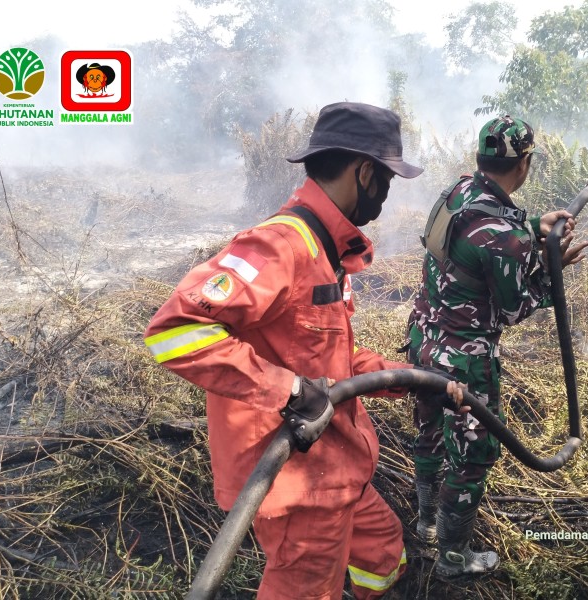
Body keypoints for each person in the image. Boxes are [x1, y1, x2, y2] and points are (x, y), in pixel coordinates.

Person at [144, 102, 431, 599]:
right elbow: (174, 329)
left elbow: (330, 359)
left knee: (382, 550)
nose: (386, 195)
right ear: (364, 173)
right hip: (299, 482)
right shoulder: (283, 245)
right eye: (386, 181)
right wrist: (291, 391)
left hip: (337, 467)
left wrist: (408, 378)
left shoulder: (325, 252)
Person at [405, 115, 588, 579]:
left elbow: (479, 230)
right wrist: (550, 272)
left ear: (481, 159)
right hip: (465, 360)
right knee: (473, 455)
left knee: (429, 433)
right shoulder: (505, 238)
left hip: (422, 341)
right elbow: (512, 310)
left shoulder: (458, 191)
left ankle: (426, 523)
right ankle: (453, 558)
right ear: (524, 164)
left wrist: (532, 224)